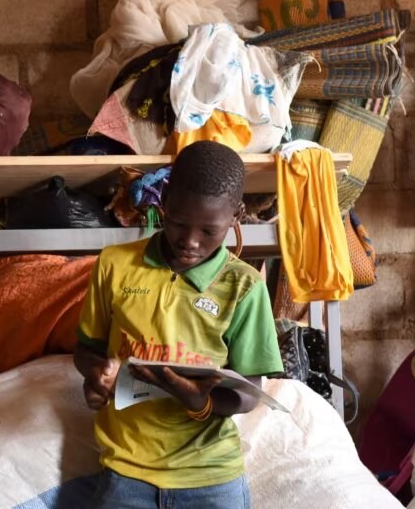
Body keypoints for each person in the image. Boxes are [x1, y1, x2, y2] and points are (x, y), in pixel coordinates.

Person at [74, 140, 282, 509]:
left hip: (211, 477)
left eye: (209, 231)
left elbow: (250, 392)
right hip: (126, 472)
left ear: (236, 215)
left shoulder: (244, 287)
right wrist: (96, 376)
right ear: (165, 199)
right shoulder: (114, 264)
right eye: (179, 223)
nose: (189, 241)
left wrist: (199, 400)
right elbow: (87, 350)